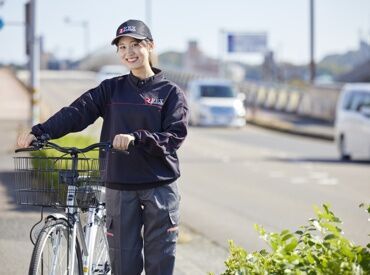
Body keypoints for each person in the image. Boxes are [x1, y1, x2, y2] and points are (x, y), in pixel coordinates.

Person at [17, 19, 188, 275]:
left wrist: (137, 138)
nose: (128, 52)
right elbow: (77, 112)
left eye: (135, 45)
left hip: (159, 188)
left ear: (150, 46)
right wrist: (39, 131)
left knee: (160, 265)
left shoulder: (171, 93)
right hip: (119, 187)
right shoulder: (111, 89)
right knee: (123, 267)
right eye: (122, 47)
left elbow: (175, 135)